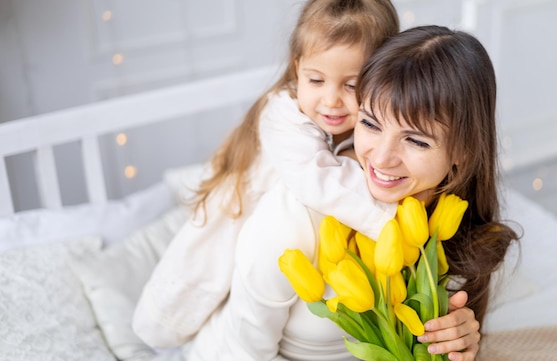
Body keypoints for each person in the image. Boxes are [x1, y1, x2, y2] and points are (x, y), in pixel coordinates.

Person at [179, 25, 516, 361]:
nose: (381, 157)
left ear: (463, 152)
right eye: (370, 124)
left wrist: (459, 347)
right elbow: (242, 354)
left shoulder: (454, 224)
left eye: (415, 140)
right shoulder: (291, 218)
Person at [135, 0, 398, 347]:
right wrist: (396, 225)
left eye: (352, 85)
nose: (330, 100)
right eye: (316, 80)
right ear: (297, 70)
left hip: (283, 268)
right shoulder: (283, 112)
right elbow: (319, 179)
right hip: (234, 226)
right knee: (192, 302)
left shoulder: (373, 127)